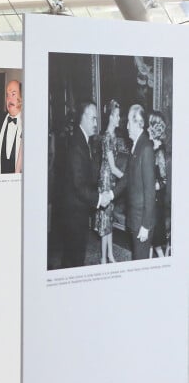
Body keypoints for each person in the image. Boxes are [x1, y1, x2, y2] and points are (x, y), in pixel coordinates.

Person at [61, 101, 111, 268]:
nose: (96, 124)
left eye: (97, 119)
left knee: (74, 256)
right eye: (93, 119)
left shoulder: (84, 140)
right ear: (82, 118)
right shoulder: (78, 145)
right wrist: (98, 199)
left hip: (78, 210)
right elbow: (78, 185)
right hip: (74, 213)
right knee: (74, 258)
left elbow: (86, 174)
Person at [118, 104, 155, 260]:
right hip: (135, 218)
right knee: (137, 259)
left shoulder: (145, 148)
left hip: (142, 221)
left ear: (138, 122)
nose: (126, 126)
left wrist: (146, 226)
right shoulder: (136, 145)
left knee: (140, 261)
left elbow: (150, 191)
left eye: (129, 123)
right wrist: (111, 193)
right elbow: (127, 177)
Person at [94, 99, 124, 264]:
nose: (120, 118)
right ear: (111, 117)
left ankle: (109, 256)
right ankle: (103, 258)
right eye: (118, 115)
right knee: (105, 220)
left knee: (109, 220)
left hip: (110, 180)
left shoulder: (113, 135)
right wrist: (127, 178)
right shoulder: (107, 137)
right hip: (106, 181)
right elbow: (112, 167)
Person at [147, 111, 169, 257]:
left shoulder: (159, 151)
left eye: (149, 125)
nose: (147, 129)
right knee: (150, 241)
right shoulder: (152, 148)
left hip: (156, 202)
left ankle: (164, 264)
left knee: (155, 243)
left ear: (155, 128)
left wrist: (155, 186)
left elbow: (164, 180)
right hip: (151, 199)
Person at [0, 80, 23, 174]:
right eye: (7, 95)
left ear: (22, 97)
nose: (9, 99)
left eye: (13, 94)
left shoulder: (29, 125)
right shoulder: (1, 122)